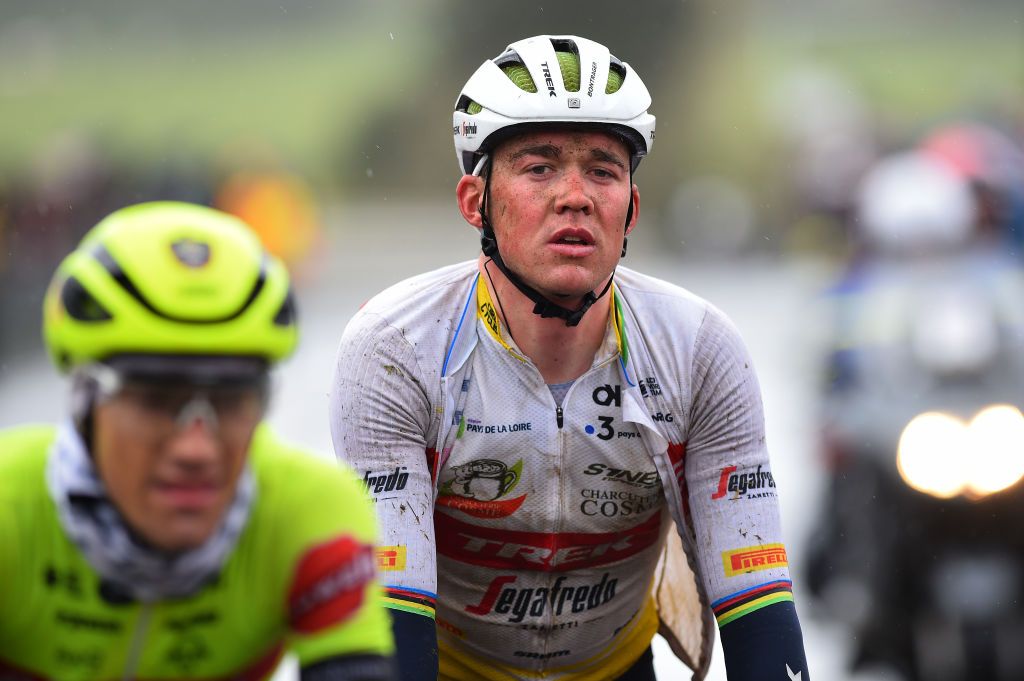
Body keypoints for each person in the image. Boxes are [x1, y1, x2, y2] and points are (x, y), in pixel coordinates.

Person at [329, 35, 810, 681]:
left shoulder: (698, 348)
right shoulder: (395, 346)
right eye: (539, 167)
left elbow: (759, 605)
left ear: (631, 209)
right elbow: (391, 612)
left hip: (612, 666)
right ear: (476, 202)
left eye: (604, 170)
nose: (575, 196)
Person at [0, 202, 396, 680]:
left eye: (229, 402)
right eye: (155, 401)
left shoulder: (308, 510)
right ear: (86, 401)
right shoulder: (10, 510)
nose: (196, 449)